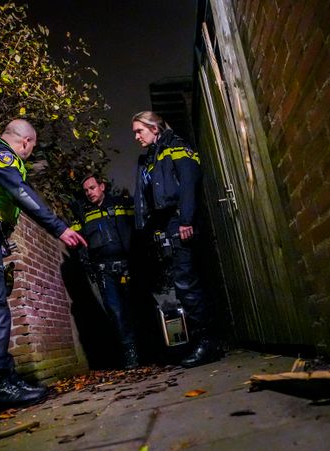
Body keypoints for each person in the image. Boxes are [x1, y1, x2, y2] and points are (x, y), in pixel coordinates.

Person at [0, 118, 86, 410]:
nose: (29, 153)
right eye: (31, 148)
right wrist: (59, 228)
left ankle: (3, 379)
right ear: (26, 142)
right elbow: (19, 191)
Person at [131, 111, 223, 367]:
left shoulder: (176, 147)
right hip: (167, 224)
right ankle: (201, 341)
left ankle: (208, 343)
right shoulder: (150, 157)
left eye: (140, 130)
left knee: (186, 282)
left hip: (180, 220)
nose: (136, 136)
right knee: (182, 282)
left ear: (155, 128)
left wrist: (186, 220)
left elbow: (189, 183)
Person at [70, 173, 139, 369]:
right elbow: (78, 244)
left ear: (102, 186)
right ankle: (130, 353)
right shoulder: (83, 213)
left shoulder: (121, 204)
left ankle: (151, 348)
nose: (89, 193)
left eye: (92, 188)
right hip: (103, 271)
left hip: (127, 265)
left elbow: (137, 226)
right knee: (116, 312)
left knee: (136, 306)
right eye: (85, 191)